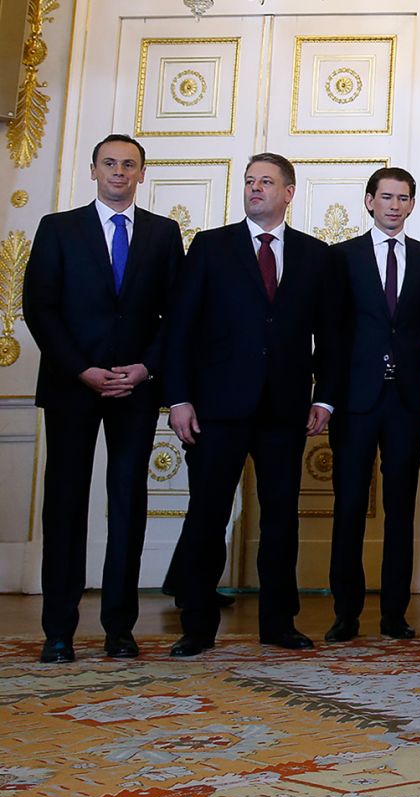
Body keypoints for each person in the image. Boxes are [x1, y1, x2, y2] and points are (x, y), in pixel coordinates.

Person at [161, 152, 345, 657]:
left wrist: (324, 398)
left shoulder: (315, 255)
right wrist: (178, 398)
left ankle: (278, 623)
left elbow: (330, 336)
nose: (255, 188)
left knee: (280, 518)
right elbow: (180, 328)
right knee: (207, 515)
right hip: (216, 407)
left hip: (284, 409)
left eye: (266, 181)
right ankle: (196, 626)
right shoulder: (210, 246)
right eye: (249, 181)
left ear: (288, 192)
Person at [23, 134, 184, 663]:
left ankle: (120, 628)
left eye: (129, 165)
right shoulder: (58, 228)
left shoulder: (163, 234)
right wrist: (82, 370)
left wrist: (147, 367)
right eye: (110, 164)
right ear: (93, 170)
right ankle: (59, 631)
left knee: (129, 506)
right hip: (74, 387)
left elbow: (175, 315)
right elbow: (40, 308)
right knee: (64, 505)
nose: (119, 172)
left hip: (136, 389)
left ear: (142, 174)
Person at [325, 167, 420, 643]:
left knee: (400, 509)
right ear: (369, 201)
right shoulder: (342, 257)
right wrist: (328, 397)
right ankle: (345, 613)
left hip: (407, 400)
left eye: (404, 198)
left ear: (412, 205)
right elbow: (331, 333)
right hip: (355, 400)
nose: (394, 205)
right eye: (386, 197)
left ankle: (395, 613)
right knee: (349, 507)